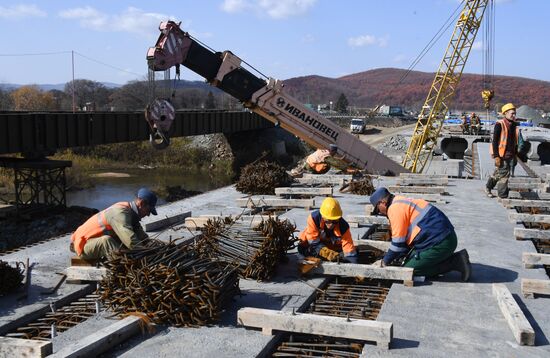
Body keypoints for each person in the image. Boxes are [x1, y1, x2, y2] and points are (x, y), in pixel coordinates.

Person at [369, 187, 471, 281]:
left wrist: (384, 261)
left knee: (407, 270)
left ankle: (455, 262)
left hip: (441, 242)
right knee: (412, 258)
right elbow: (404, 241)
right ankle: (447, 260)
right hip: (444, 237)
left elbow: (398, 244)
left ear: (382, 202)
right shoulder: (399, 201)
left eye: (378, 210)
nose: (380, 213)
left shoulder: (394, 209)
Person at [70, 187, 158, 260]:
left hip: (93, 242)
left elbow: (140, 235)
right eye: (148, 210)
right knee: (106, 241)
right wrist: (146, 254)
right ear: (141, 203)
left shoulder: (132, 215)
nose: (148, 214)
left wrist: (150, 244)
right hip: (83, 246)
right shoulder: (120, 213)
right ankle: (124, 265)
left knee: (119, 243)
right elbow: (130, 240)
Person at [298, 197, 358, 263]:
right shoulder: (314, 218)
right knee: (309, 252)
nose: (331, 224)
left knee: (349, 254)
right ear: (323, 217)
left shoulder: (343, 226)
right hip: (308, 245)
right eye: (328, 221)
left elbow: (349, 250)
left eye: (334, 221)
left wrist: (352, 265)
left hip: (331, 247)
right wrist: (326, 253)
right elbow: (313, 242)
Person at [485, 103, 523, 198]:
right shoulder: (499, 124)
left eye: (515, 113)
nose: (514, 115)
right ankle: (502, 195)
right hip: (502, 154)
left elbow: (515, 141)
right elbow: (495, 142)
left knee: (501, 174)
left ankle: (488, 188)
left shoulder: (514, 125)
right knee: (503, 175)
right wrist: (497, 156)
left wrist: (516, 154)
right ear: (505, 113)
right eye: (512, 113)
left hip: (511, 154)